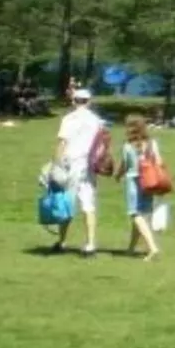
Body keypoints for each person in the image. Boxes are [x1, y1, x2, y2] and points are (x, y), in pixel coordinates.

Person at [53, 87, 104, 256]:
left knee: (67, 202)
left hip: (70, 164)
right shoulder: (96, 121)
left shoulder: (69, 119)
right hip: (88, 165)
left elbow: (62, 143)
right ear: (89, 102)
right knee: (88, 204)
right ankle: (90, 243)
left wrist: (57, 164)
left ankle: (62, 241)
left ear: (74, 101)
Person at [114, 114, 162, 260]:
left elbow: (124, 165)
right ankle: (131, 248)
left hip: (133, 181)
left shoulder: (127, 146)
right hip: (149, 182)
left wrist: (117, 175)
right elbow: (159, 161)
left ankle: (152, 247)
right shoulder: (152, 143)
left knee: (135, 214)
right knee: (141, 214)